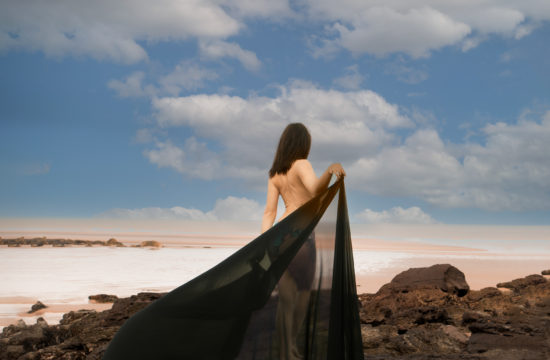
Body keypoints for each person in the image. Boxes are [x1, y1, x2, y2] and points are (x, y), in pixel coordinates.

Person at [261, 122, 345, 360]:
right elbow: (316, 189)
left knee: (285, 301)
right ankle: (291, 349)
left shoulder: (276, 174)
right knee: (304, 295)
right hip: (302, 238)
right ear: (303, 144)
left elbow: (269, 212)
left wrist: (265, 244)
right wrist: (330, 171)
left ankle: (286, 352)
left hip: (279, 236)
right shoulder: (302, 164)